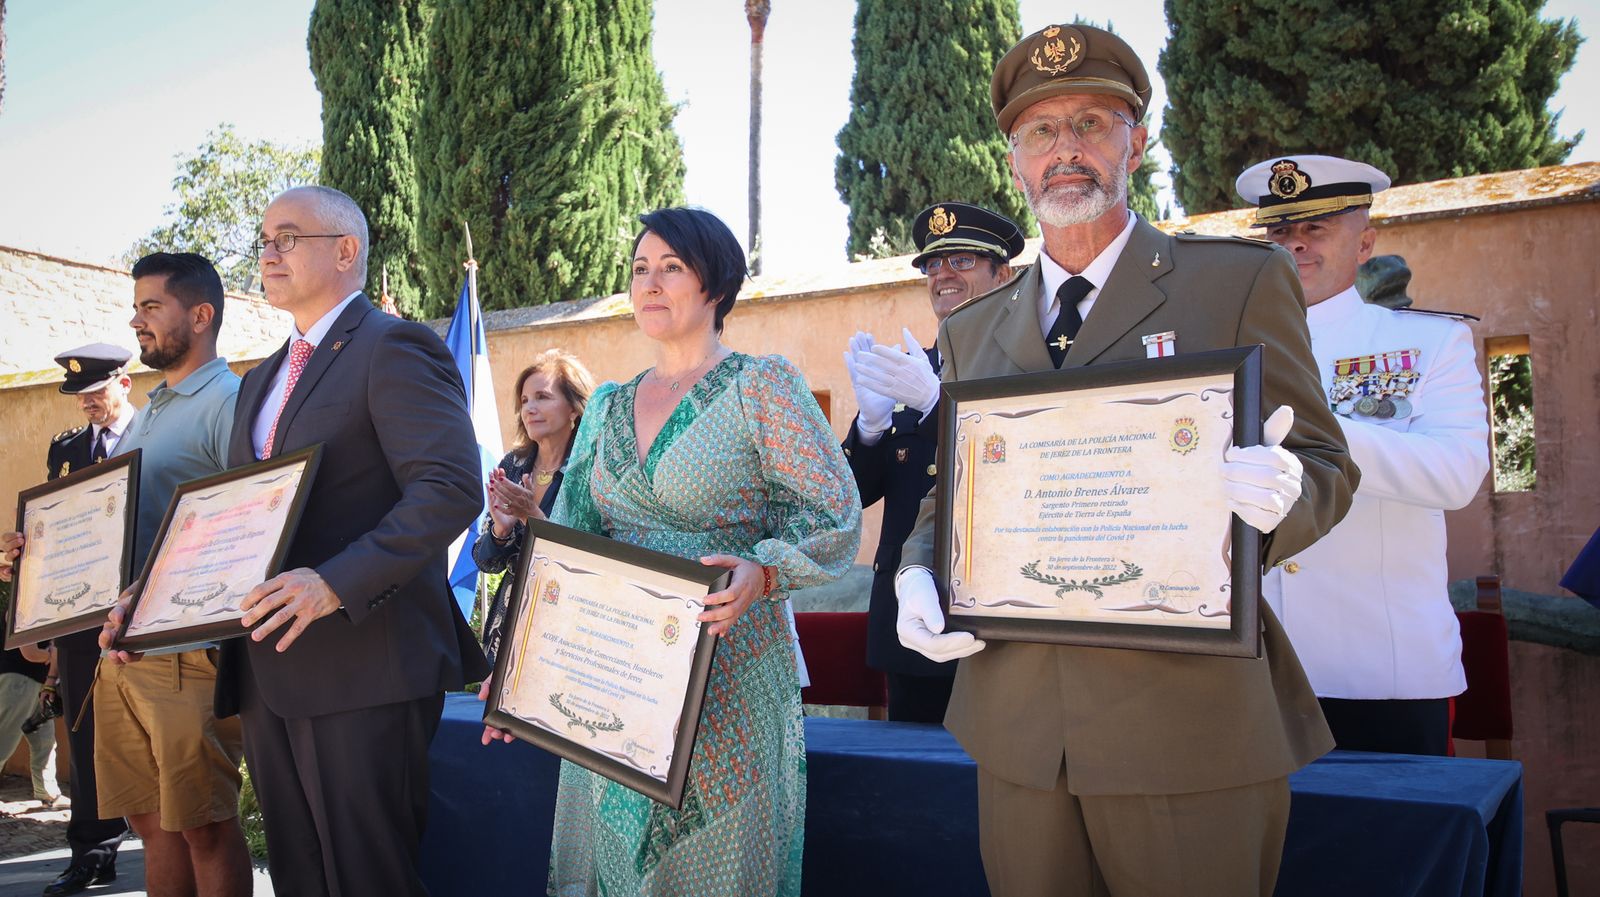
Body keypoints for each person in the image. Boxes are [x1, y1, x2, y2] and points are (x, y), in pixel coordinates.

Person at [892, 24, 1358, 897]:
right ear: (1016, 161)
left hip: (1186, 724)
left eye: (1092, 123)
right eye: (1040, 131)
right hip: (1019, 725)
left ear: (1135, 143)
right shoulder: (971, 331)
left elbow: (1325, 459)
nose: (1066, 149)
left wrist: (1285, 497)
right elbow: (951, 495)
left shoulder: (1234, 283)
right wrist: (920, 569)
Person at [498, 206, 860, 896]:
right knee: (615, 858)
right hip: (616, 672)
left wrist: (766, 568)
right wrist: (520, 669)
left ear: (716, 285)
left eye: (671, 267)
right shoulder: (604, 405)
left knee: (714, 865)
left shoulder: (763, 386)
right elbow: (572, 542)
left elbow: (835, 512)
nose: (651, 283)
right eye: (640, 269)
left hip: (727, 668)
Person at [210, 185, 487, 897]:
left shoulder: (393, 346)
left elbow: (450, 487)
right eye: (264, 238)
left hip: (368, 663)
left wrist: (335, 581)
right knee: (300, 878)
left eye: (286, 237)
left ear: (344, 251)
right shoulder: (259, 380)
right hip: (271, 670)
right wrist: (148, 602)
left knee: (369, 880)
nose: (267, 252)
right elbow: (241, 521)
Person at [1237, 154, 1491, 755]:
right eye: (1279, 232)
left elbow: (1456, 476)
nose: (1294, 245)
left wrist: (1319, 433)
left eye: (1315, 228)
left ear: (1365, 242)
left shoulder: (1427, 342)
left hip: (1384, 675)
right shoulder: (1229, 349)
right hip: (1259, 672)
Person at [90, 252, 252, 897]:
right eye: (137, 308)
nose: (136, 321)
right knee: (150, 825)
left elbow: (241, 529)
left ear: (201, 314)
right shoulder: (151, 409)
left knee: (204, 828)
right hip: (121, 650)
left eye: (151, 307)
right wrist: (41, 551)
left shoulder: (230, 402)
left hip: (189, 653)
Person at [841, 201, 1024, 722]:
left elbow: (1010, 473)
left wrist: (938, 408)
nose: (942, 273)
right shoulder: (909, 369)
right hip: (909, 621)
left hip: (996, 616)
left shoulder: (1024, 365)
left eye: (962, 260)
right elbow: (850, 496)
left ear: (1003, 273)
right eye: (932, 264)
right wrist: (870, 430)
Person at [37, 343, 135, 896]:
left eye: (95, 393)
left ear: (123, 383)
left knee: (155, 734)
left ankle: (168, 840)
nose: (87, 405)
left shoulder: (154, 435)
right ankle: (92, 853)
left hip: (142, 610)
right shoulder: (68, 449)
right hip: (80, 616)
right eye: (78, 397)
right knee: (85, 734)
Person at [474, 349, 596, 663]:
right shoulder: (512, 466)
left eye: (542, 397)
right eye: (525, 401)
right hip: (510, 626)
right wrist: (500, 531)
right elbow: (486, 562)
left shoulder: (592, 471)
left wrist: (532, 516)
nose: (529, 409)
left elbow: (591, 558)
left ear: (574, 408)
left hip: (569, 629)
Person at [0, 644, 63, 808]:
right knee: (4, 742)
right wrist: (52, 656)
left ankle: (48, 792)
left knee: (45, 742)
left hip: (35, 681)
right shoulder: (23, 616)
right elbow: (30, 652)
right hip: (19, 678)